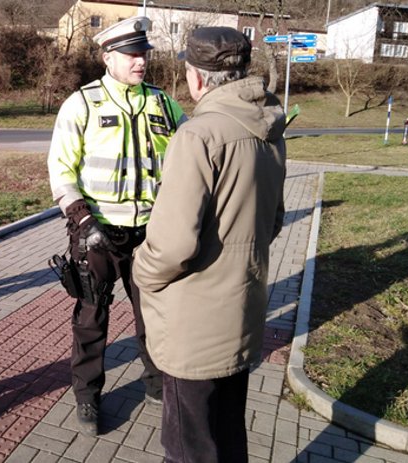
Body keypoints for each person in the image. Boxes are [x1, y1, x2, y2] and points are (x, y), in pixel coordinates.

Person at [132, 27, 287, 463]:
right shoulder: (271, 127)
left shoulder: (199, 135)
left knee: (189, 448)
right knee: (228, 435)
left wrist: (140, 271)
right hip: (242, 310)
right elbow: (273, 221)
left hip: (193, 326)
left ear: (196, 77)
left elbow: (172, 246)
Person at [47, 16, 187, 436]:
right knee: (92, 317)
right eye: (131, 54)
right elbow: (60, 170)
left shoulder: (164, 105)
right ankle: (88, 396)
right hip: (97, 233)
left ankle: (157, 384)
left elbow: (189, 160)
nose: (140, 60)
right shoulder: (83, 103)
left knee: (155, 315)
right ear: (108, 58)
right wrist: (81, 218)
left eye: (144, 52)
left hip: (151, 232)